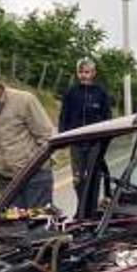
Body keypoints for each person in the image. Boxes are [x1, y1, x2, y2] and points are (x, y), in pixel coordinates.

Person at [0, 71, 55, 209]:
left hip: (34, 176)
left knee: (38, 224)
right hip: (5, 180)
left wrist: (38, 165)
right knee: (14, 226)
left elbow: (47, 135)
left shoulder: (24, 100)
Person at [58, 58, 112, 199]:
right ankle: (81, 206)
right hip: (76, 142)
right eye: (80, 72)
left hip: (95, 142)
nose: (83, 75)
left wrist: (105, 139)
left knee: (93, 176)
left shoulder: (101, 92)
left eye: (87, 72)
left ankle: (92, 207)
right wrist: (62, 136)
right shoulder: (71, 92)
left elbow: (107, 117)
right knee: (78, 178)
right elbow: (64, 115)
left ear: (93, 73)